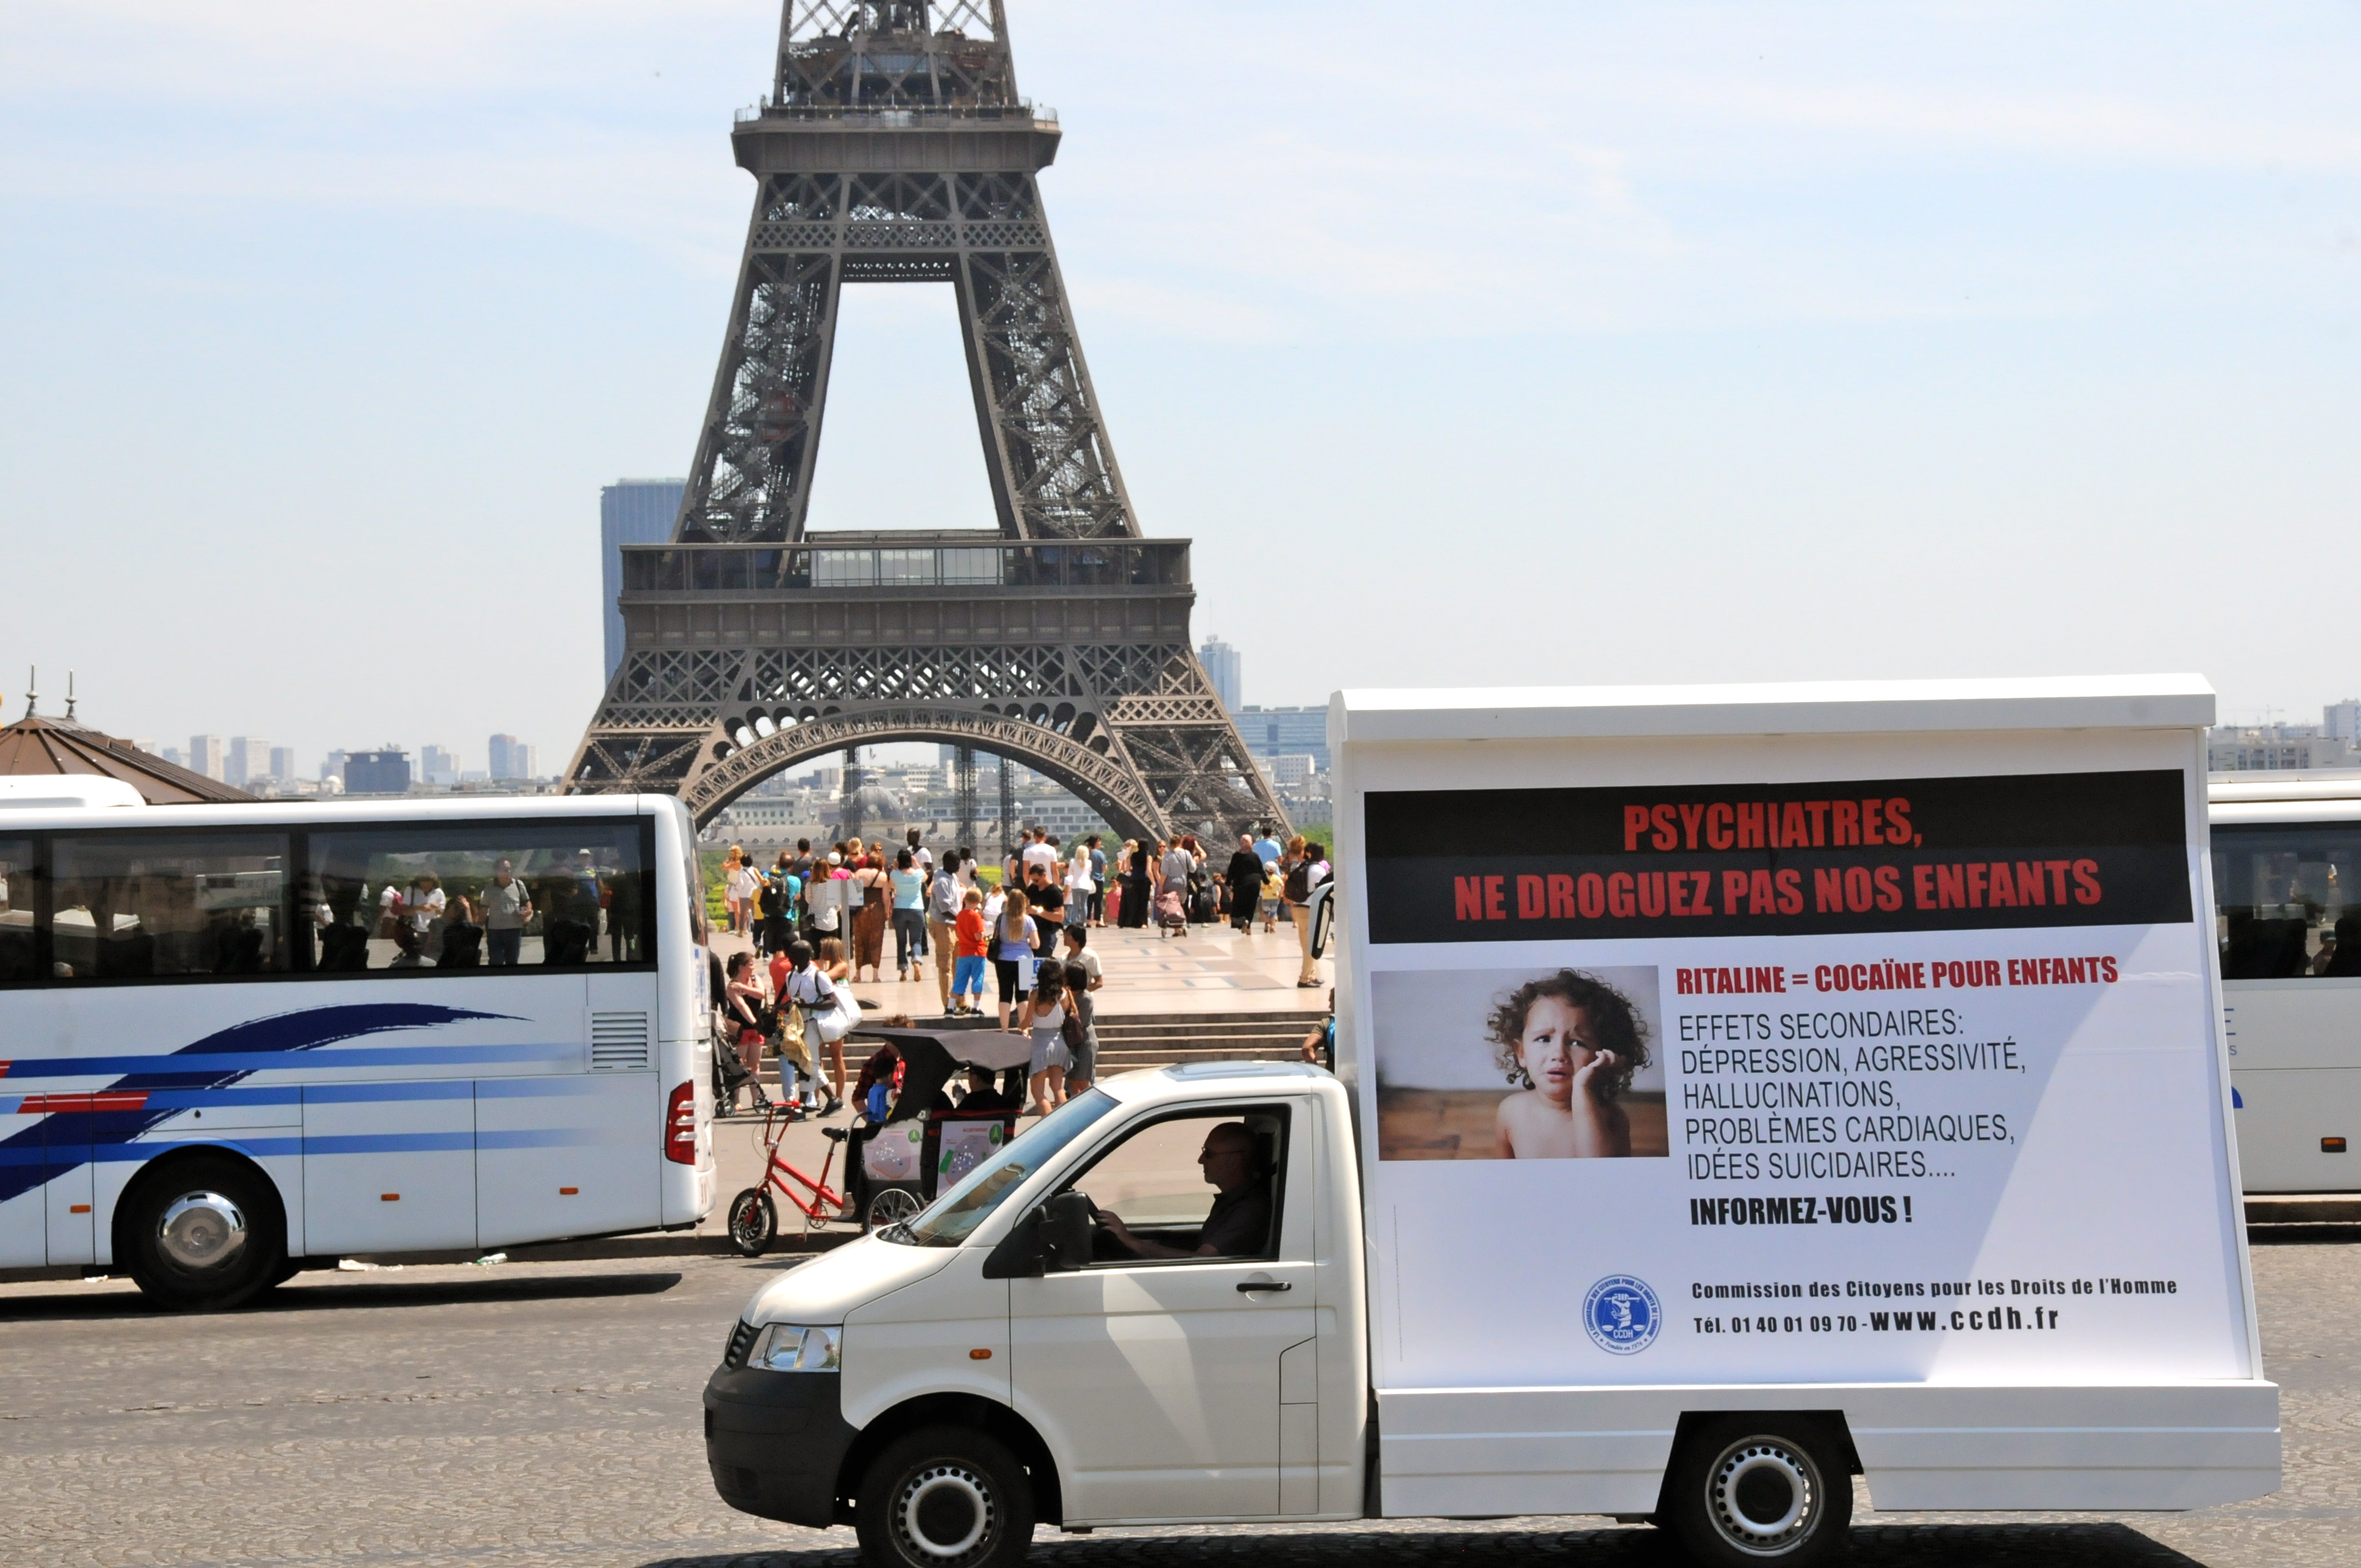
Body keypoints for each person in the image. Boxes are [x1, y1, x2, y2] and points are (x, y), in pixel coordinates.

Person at [1489, 969, 1648, 1159]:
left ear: (1602, 1055)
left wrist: (1582, 1087)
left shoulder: (1610, 1118)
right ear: (1521, 1053)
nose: (1558, 1054)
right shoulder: (1511, 1112)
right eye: (1544, 1039)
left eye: (1576, 1043)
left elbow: (1602, 1175)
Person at [1096, 1122, 1270, 1259]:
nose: (1200, 1160)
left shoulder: (1249, 1210)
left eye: (1209, 1154)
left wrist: (1133, 1242)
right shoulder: (1233, 1199)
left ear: (1234, 1162)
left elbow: (1203, 1261)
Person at [775, 940, 847, 1117]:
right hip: (798, 1025)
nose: (790, 959)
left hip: (814, 1024)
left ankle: (800, 1107)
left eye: (794, 956)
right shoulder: (791, 976)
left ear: (805, 956)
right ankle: (833, 1099)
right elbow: (793, 1001)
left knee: (807, 1064)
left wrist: (808, 1006)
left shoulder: (819, 976)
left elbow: (832, 1002)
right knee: (807, 1063)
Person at [723, 951, 774, 1114]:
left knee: (755, 1064)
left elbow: (761, 993)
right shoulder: (732, 986)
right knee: (740, 1064)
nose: (753, 968)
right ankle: (736, 1099)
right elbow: (742, 1007)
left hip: (755, 1029)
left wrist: (744, 987)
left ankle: (756, 1099)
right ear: (741, 967)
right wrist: (755, 1023)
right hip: (740, 1029)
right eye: (750, 965)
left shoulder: (754, 979)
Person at [1019, 965, 1071, 1115]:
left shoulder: (1036, 994)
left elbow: (1028, 1020)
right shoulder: (1064, 993)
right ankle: (1065, 1122)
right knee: (1058, 1088)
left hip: (1041, 1044)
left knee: (1038, 1092)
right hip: (1060, 1042)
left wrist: (1020, 1026)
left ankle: (1049, 1125)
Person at [992, 884, 1040, 1031]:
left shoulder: (1002, 919)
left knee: (1005, 995)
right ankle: (1024, 1029)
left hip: (1003, 959)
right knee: (1023, 996)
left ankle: (1005, 1030)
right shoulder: (1029, 921)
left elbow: (996, 938)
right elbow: (1036, 944)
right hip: (1025, 960)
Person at [1284, 839, 1329, 987]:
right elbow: (1322, 892)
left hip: (1298, 908)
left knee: (1306, 945)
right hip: (1311, 910)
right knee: (1311, 946)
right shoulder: (1319, 870)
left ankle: (1311, 975)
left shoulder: (1301, 866)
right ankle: (1304, 979)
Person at [479, 858, 532, 967]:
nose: (509, 872)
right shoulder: (489, 888)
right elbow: (484, 909)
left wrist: (528, 911)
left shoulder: (518, 884)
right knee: (496, 961)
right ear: (497, 872)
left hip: (514, 929)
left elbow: (527, 902)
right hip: (495, 931)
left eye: (509, 869)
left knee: (512, 962)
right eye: (505, 870)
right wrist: (479, 925)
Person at [1058, 958, 1099, 1097]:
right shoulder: (1066, 995)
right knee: (1072, 1082)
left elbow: (1079, 1023)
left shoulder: (1085, 998)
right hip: (1072, 1043)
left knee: (1083, 1084)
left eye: (1064, 975)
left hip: (1084, 1042)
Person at [851, 852, 890, 983]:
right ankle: (875, 975)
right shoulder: (883, 876)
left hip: (861, 910)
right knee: (877, 940)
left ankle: (858, 974)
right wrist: (887, 912)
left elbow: (854, 894)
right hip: (877, 910)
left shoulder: (859, 873)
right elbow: (886, 897)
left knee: (860, 940)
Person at [890, 848, 928, 982]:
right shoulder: (918, 874)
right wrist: (916, 863)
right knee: (916, 941)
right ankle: (917, 961)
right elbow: (926, 878)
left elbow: (891, 885)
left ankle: (903, 971)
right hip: (917, 909)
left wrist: (895, 868)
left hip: (900, 909)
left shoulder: (895, 875)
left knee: (901, 942)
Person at [951, 887, 989, 1016]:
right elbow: (978, 936)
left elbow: (958, 931)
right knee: (978, 978)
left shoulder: (960, 915)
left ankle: (950, 1008)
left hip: (963, 952)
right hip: (977, 952)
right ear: (978, 901)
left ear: (965, 899)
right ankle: (976, 1008)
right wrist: (984, 932)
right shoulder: (976, 916)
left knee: (960, 980)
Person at [1222, 834, 1265, 934]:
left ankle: (1242, 921)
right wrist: (1267, 882)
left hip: (1241, 885)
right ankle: (1248, 924)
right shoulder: (1255, 856)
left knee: (1238, 905)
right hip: (1254, 884)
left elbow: (1231, 870)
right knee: (1251, 905)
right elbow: (1261, 871)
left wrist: (1228, 883)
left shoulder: (1236, 856)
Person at [437, 892, 485, 968]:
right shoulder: (449, 930)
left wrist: (467, 908)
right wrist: (467, 909)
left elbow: (471, 931)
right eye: (456, 908)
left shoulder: (476, 931)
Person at [1062, 843, 1094, 937]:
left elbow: (1069, 873)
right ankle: (1084, 922)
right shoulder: (1089, 862)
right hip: (1086, 885)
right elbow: (1089, 872)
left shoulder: (1073, 861)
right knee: (1084, 904)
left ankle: (1075, 922)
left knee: (1076, 904)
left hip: (1076, 884)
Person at [1117, 837, 1149, 929]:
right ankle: (1143, 922)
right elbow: (1148, 870)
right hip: (1144, 880)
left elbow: (1128, 869)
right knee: (1144, 902)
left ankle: (1134, 922)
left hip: (1134, 879)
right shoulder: (1147, 856)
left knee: (1135, 902)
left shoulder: (1133, 856)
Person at [1086, 835, 1108, 926]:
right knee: (1098, 901)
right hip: (1098, 879)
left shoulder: (1087, 853)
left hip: (1089, 880)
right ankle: (1098, 920)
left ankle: (1088, 921)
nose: (1100, 843)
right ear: (1096, 842)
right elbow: (1104, 868)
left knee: (1089, 901)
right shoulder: (1099, 854)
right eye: (1099, 841)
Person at [1259, 858, 1285, 934]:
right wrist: (1281, 893)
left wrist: (1262, 893)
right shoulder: (1277, 878)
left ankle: (1267, 923)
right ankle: (1273, 927)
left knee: (1266, 912)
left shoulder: (1264, 879)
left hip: (1266, 898)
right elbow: (1283, 885)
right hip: (1275, 898)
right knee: (1273, 913)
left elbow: (1263, 889)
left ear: (1266, 870)